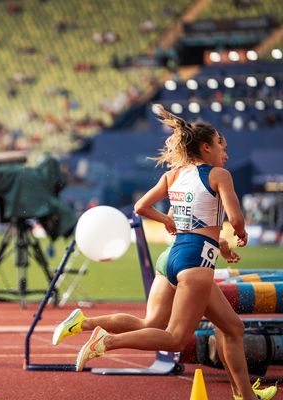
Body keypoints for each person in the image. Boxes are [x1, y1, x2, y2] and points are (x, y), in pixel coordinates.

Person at [69, 105, 270, 400]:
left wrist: (167, 220)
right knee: (175, 338)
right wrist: (239, 232)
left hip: (177, 255)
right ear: (206, 147)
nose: (225, 154)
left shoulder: (174, 176)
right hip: (196, 262)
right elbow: (236, 218)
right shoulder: (219, 175)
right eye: (221, 147)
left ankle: (244, 395)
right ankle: (107, 341)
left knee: (233, 327)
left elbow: (140, 207)